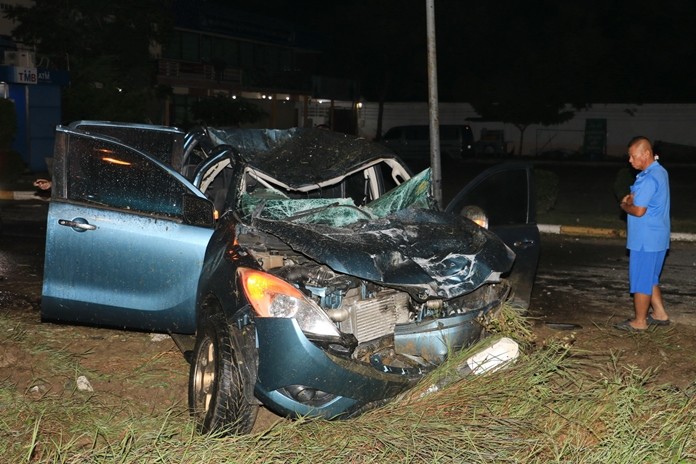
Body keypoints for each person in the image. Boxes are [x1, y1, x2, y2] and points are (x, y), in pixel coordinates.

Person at [614, 136, 671, 331]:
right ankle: (660, 314)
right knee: (650, 278)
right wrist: (631, 201)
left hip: (645, 239)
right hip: (658, 237)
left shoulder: (649, 178)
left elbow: (638, 210)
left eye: (632, 156)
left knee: (640, 280)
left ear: (646, 154)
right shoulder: (660, 172)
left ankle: (639, 322)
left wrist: (624, 204)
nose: (630, 160)